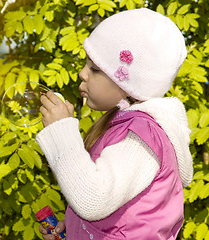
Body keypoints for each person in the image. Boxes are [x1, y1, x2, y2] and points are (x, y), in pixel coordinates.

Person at [36, 8, 193, 240]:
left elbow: (94, 199)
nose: (82, 74)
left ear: (129, 84)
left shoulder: (142, 137)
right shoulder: (124, 125)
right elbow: (116, 213)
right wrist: (76, 228)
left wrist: (61, 131)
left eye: (95, 69)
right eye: (86, 64)